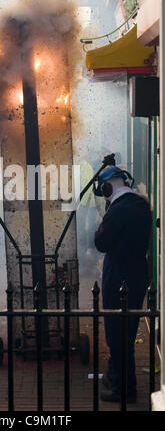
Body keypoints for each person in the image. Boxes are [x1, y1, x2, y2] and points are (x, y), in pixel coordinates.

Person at [94, 165, 152, 403]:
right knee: (126, 331)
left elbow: (101, 242)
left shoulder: (118, 210)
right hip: (137, 274)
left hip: (118, 276)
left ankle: (124, 389)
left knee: (117, 334)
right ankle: (114, 375)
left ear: (107, 187)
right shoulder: (141, 205)